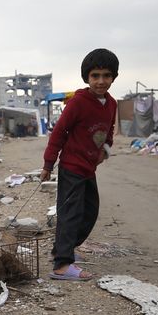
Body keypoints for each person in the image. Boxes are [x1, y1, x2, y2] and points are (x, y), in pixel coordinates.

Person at [40, 48, 119, 281]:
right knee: (70, 214)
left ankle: (62, 249)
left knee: (90, 212)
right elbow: (59, 133)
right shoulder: (78, 102)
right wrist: (48, 163)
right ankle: (62, 266)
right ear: (87, 77)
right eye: (95, 75)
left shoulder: (111, 103)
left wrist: (105, 149)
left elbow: (109, 130)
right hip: (71, 166)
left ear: (114, 77)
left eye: (106, 75)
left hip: (88, 168)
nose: (101, 81)